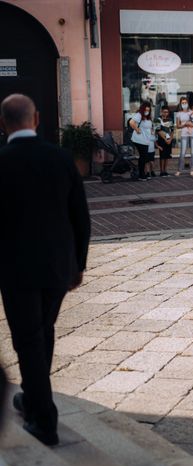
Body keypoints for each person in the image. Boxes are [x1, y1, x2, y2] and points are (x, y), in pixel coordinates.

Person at [0, 94, 91, 446]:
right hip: (57, 267)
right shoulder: (61, 157)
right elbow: (80, 217)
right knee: (42, 333)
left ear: (3, 124)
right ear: (36, 119)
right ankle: (31, 396)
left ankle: (44, 420)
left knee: (28, 340)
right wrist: (78, 264)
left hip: (16, 270)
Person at [128, 100, 154, 181]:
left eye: (148, 110)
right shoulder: (139, 115)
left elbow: (148, 127)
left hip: (146, 140)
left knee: (144, 157)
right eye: (146, 110)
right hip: (139, 140)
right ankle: (142, 175)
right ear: (143, 109)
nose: (147, 111)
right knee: (143, 157)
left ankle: (144, 174)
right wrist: (136, 129)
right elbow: (131, 122)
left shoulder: (148, 117)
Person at [175, 96, 193, 176]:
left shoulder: (192, 112)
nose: (184, 104)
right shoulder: (179, 114)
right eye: (182, 103)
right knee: (182, 153)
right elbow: (178, 126)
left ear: (188, 103)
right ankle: (179, 170)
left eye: (185, 103)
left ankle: (192, 170)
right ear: (180, 104)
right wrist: (185, 124)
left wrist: (191, 125)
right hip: (184, 134)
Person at [155, 106, 173, 177]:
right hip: (161, 140)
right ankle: (161, 171)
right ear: (161, 112)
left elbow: (172, 131)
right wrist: (165, 139)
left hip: (169, 140)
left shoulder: (170, 120)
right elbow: (158, 131)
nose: (166, 113)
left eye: (167, 112)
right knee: (162, 156)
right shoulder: (157, 120)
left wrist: (170, 139)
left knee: (167, 156)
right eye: (164, 112)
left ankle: (165, 171)